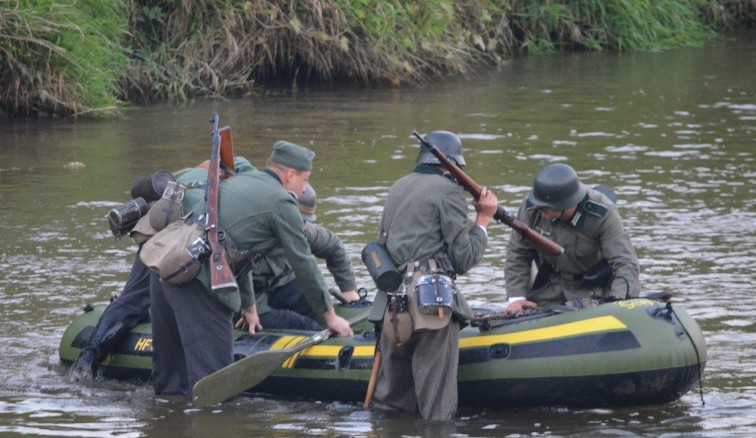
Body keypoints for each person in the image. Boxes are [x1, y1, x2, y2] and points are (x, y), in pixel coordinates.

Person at [150, 140, 354, 397]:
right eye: (305, 180)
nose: (304, 190)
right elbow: (304, 263)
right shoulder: (281, 202)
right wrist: (330, 316)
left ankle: (166, 430)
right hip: (199, 280)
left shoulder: (239, 182)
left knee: (169, 385)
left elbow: (239, 250)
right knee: (216, 389)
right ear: (290, 175)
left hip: (165, 270)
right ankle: (212, 435)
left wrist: (248, 307)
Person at [67, 157, 256, 381]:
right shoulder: (235, 191)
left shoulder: (205, 170)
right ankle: (90, 357)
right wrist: (249, 303)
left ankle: (88, 360)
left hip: (164, 232)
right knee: (141, 299)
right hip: (172, 237)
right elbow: (234, 248)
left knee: (133, 299)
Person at [366, 130, 498, 420]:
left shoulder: (398, 186)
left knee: (391, 406)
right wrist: (483, 221)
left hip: (392, 305)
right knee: (438, 410)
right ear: (453, 165)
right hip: (430, 305)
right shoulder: (448, 191)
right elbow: (463, 257)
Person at [504, 163, 640, 313]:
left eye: (544, 208)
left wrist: (617, 302)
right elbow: (517, 252)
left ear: (565, 204)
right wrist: (516, 299)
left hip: (593, 288)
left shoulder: (603, 214)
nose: (538, 210)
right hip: (550, 286)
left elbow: (625, 263)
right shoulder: (532, 206)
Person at [253, 183, 361, 331]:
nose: (304, 227)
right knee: (303, 325)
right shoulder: (250, 238)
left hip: (281, 288)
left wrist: (349, 289)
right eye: (300, 220)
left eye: (305, 222)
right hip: (251, 300)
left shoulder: (302, 232)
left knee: (317, 299)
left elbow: (333, 247)